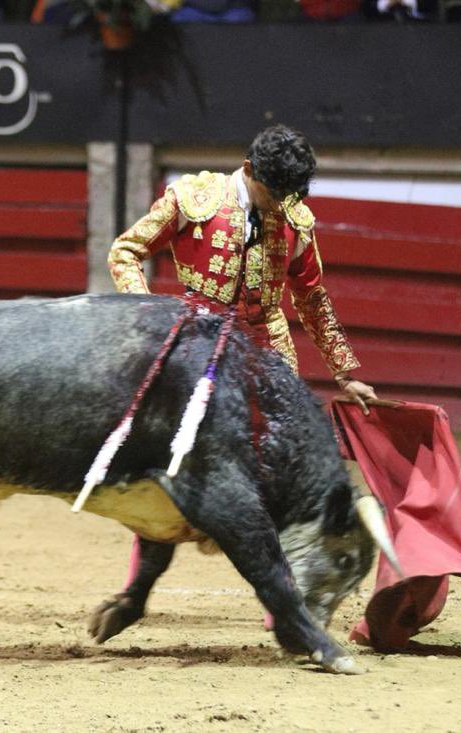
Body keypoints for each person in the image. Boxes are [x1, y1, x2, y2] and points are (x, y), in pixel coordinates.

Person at [108, 124, 377, 589]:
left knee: (285, 462)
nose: (281, 205)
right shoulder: (192, 199)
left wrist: (345, 372)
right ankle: (141, 578)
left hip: (267, 347)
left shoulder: (295, 217)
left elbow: (311, 298)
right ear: (249, 170)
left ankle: (288, 589)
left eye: (291, 195)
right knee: (173, 459)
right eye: (274, 192)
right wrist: (149, 319)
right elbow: (126, 251)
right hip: (199, 339)